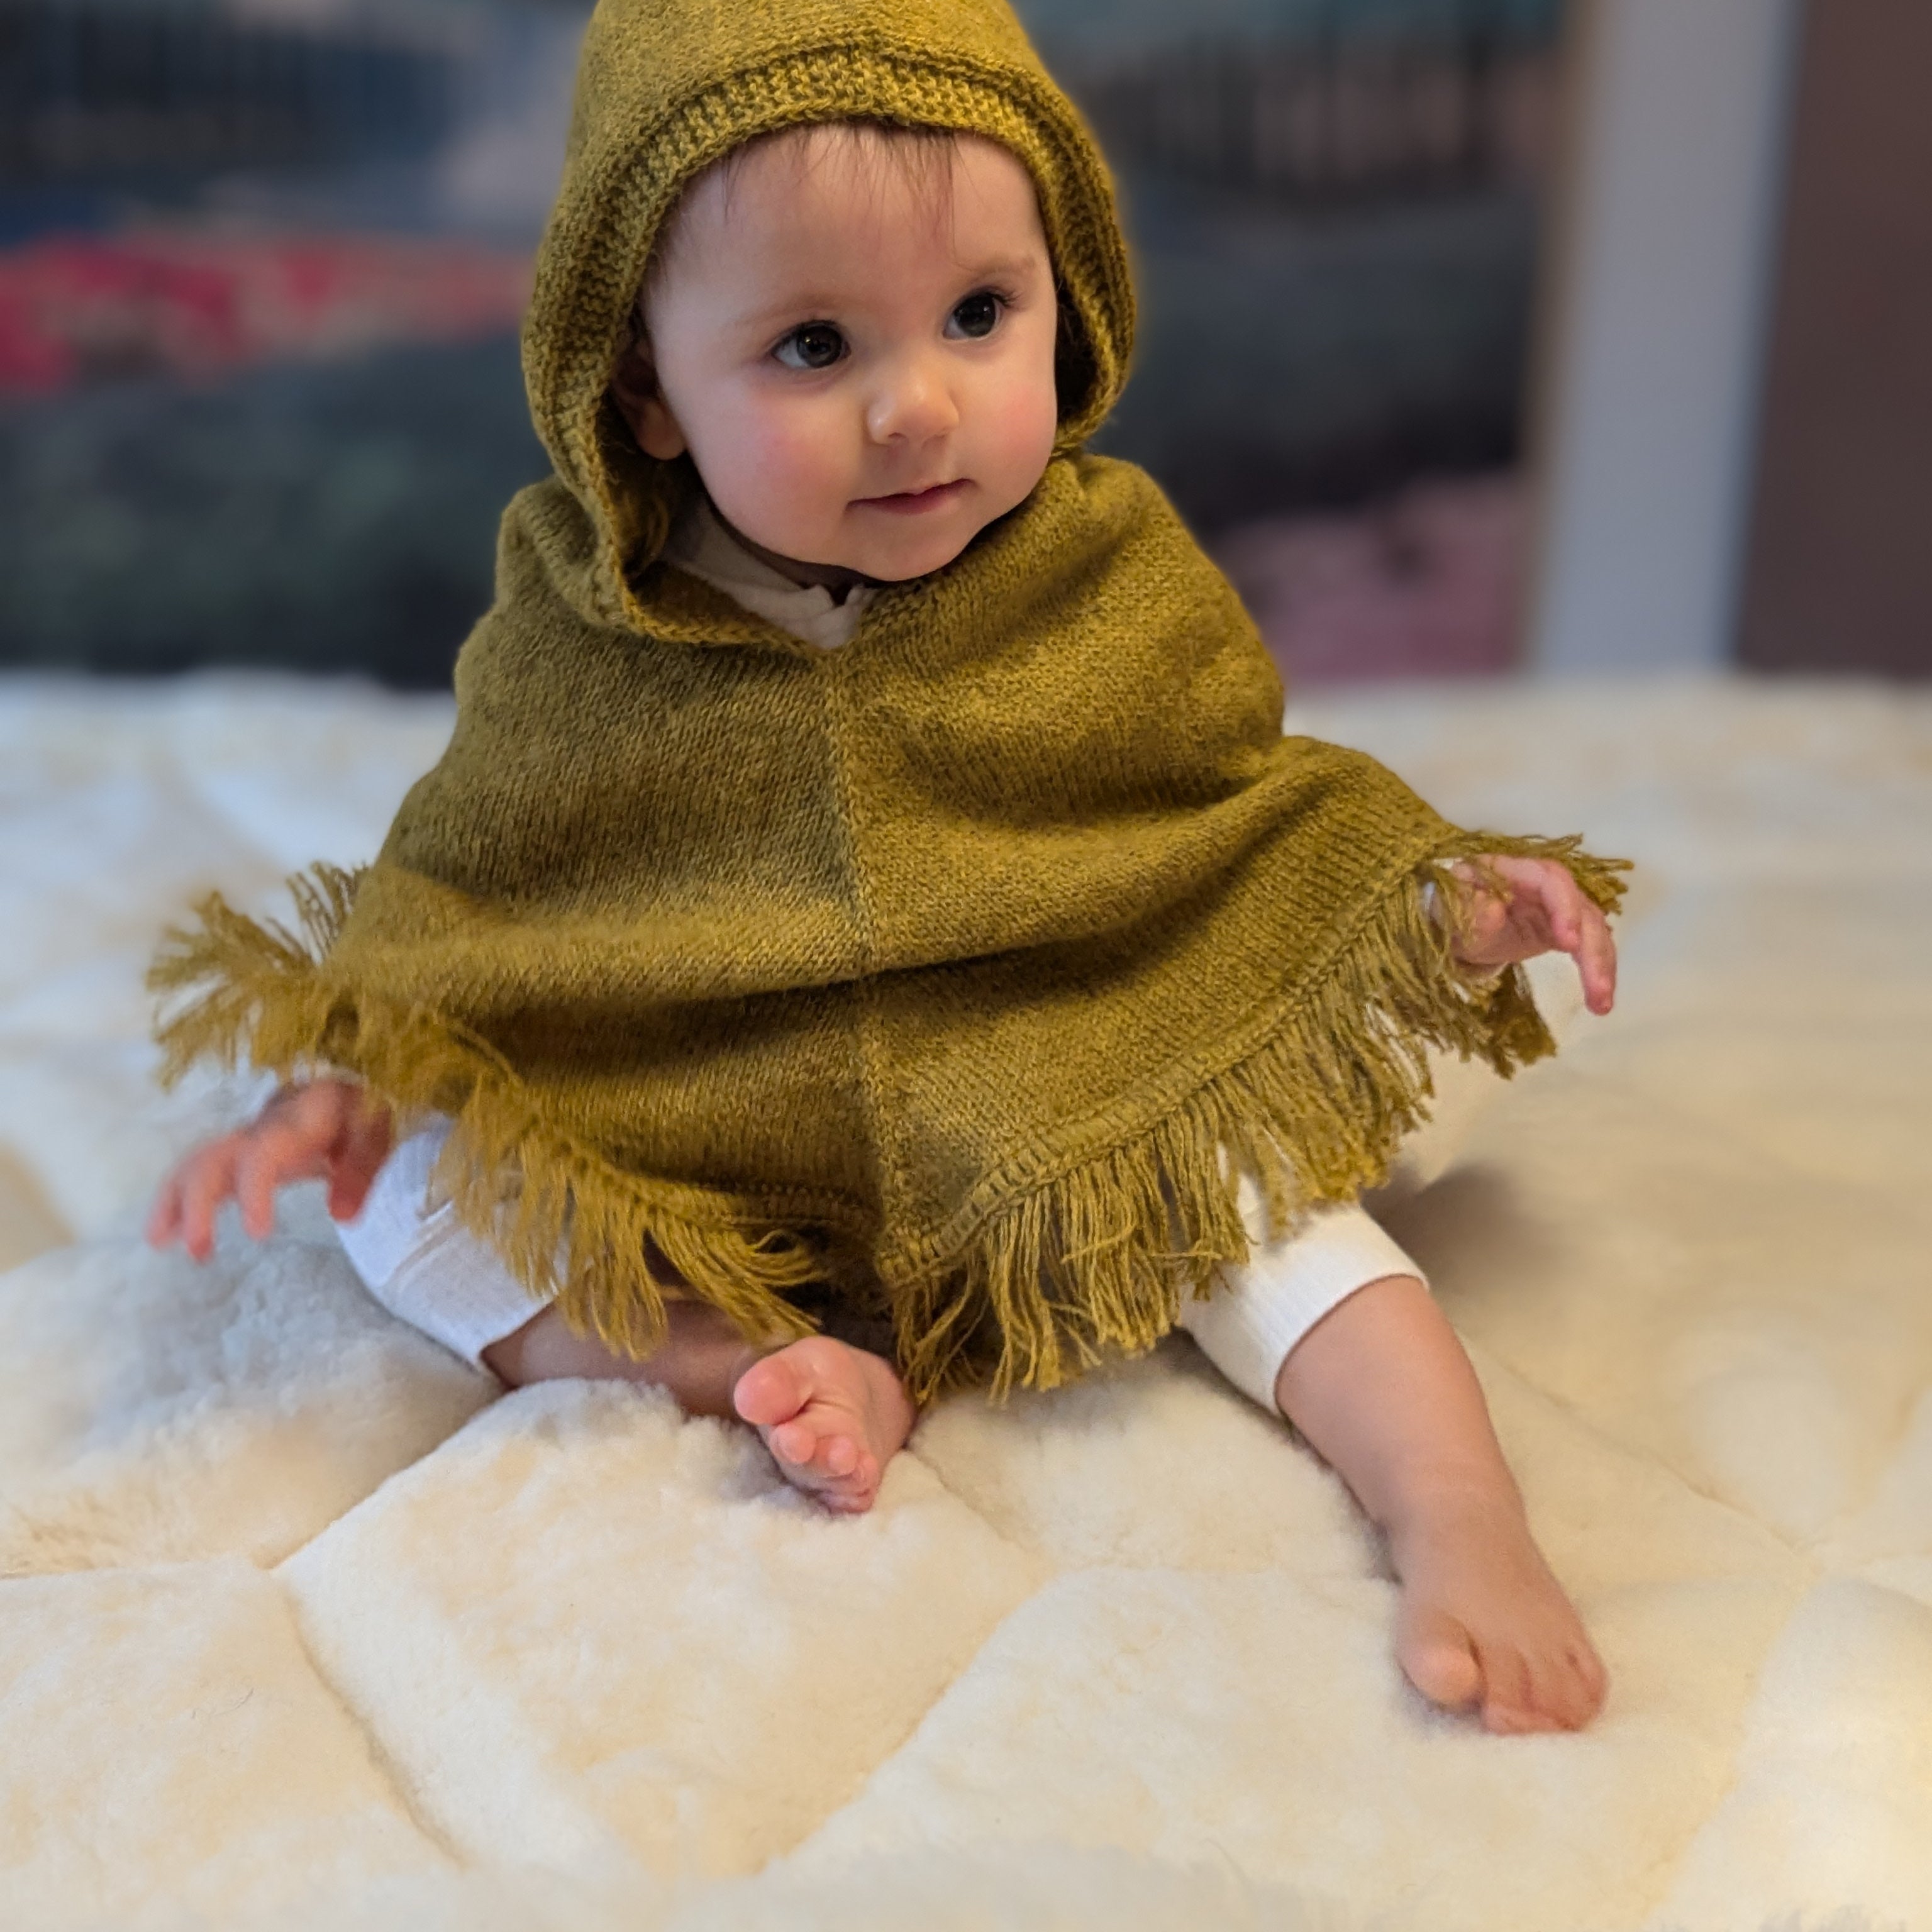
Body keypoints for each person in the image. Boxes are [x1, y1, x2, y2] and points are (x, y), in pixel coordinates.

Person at [146, 0, 1622, 1735]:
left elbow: (1226, 821)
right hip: (695, 1123)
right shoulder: (585, 640)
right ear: (647, 392)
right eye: (814, 347)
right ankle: (740, 1359)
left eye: (981, 316)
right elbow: (476, 903)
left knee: (1264, 1204)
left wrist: (1423, 903)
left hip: (1050, 1073)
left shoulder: (1102, 572)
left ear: (1064, 290)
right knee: (406, 1209)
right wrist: (356, 1073)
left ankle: (1458, 1513)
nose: (920, 408)